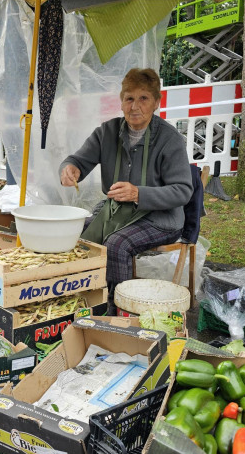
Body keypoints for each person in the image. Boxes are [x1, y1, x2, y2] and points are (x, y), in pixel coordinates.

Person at [59, 68, 192, 315]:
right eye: (129, 98)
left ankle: (115, 311)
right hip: (119, 211)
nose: (135, 106)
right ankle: (85, 298)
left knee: (116, 244)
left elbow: (183, 191)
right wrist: (70, 168)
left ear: (156, 102)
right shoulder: (107, 132)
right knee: (75, 231)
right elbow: (78, 159)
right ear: (121, 102)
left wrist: (138, 194)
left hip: (161, 218)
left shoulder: (169, 139)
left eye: (143, 98)